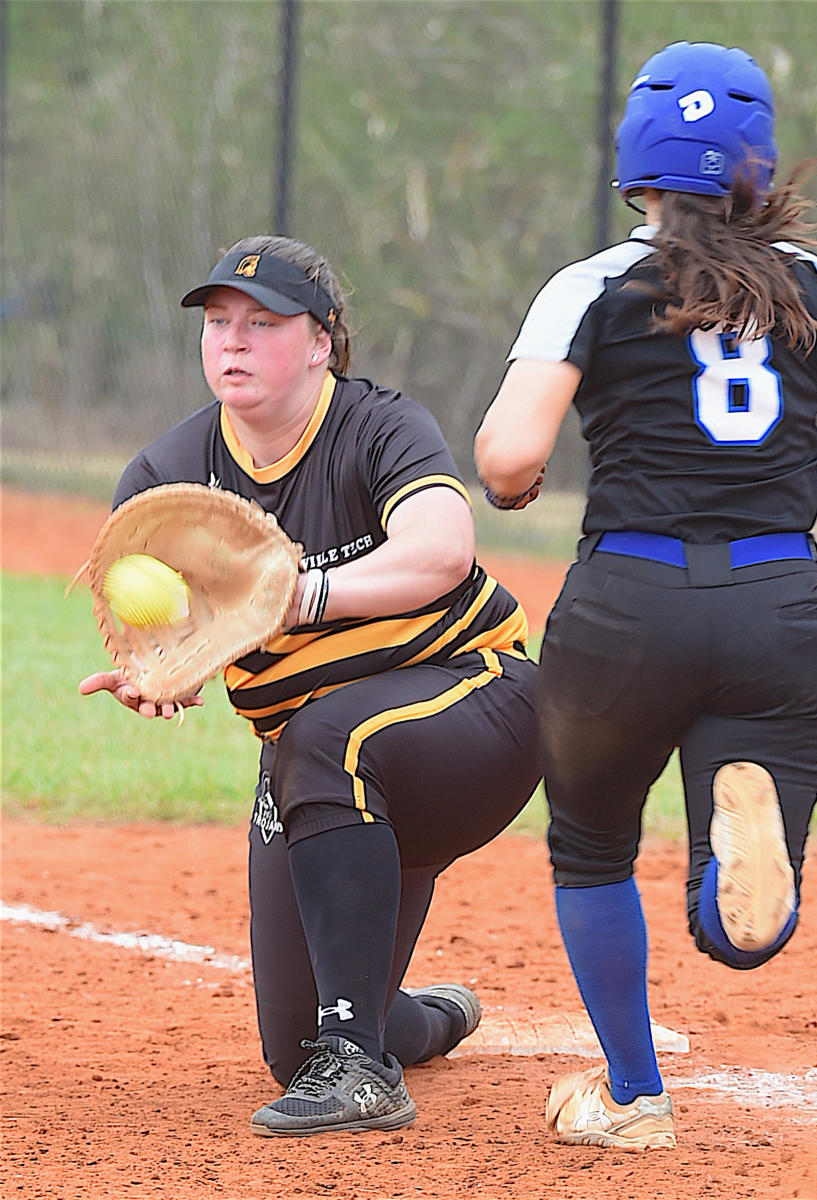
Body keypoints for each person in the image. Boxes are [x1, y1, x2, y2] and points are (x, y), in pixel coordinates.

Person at [474, 40, 817, 1152]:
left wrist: (524, 476)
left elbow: (503, 458)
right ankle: (735, 909)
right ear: (753, 164)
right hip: (779, 602)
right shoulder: (809, 286)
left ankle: (633, 1096)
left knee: (589, 849)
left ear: (634, 161)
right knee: (731, 903)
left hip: (627, 603)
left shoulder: (591, 284)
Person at [79, 234, 541, 1136]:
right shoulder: (166, 476)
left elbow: (444, 550)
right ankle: (418, 1021)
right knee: (297, 1044)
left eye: (263, 323)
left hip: (474, 706)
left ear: (322, 341)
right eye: (218, 323)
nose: (234, 342)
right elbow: (173, 638)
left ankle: (365, 1072)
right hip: (318, 768)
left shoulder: (376, 425)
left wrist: (303, 595)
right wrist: (162, 677)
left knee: (325, 736)